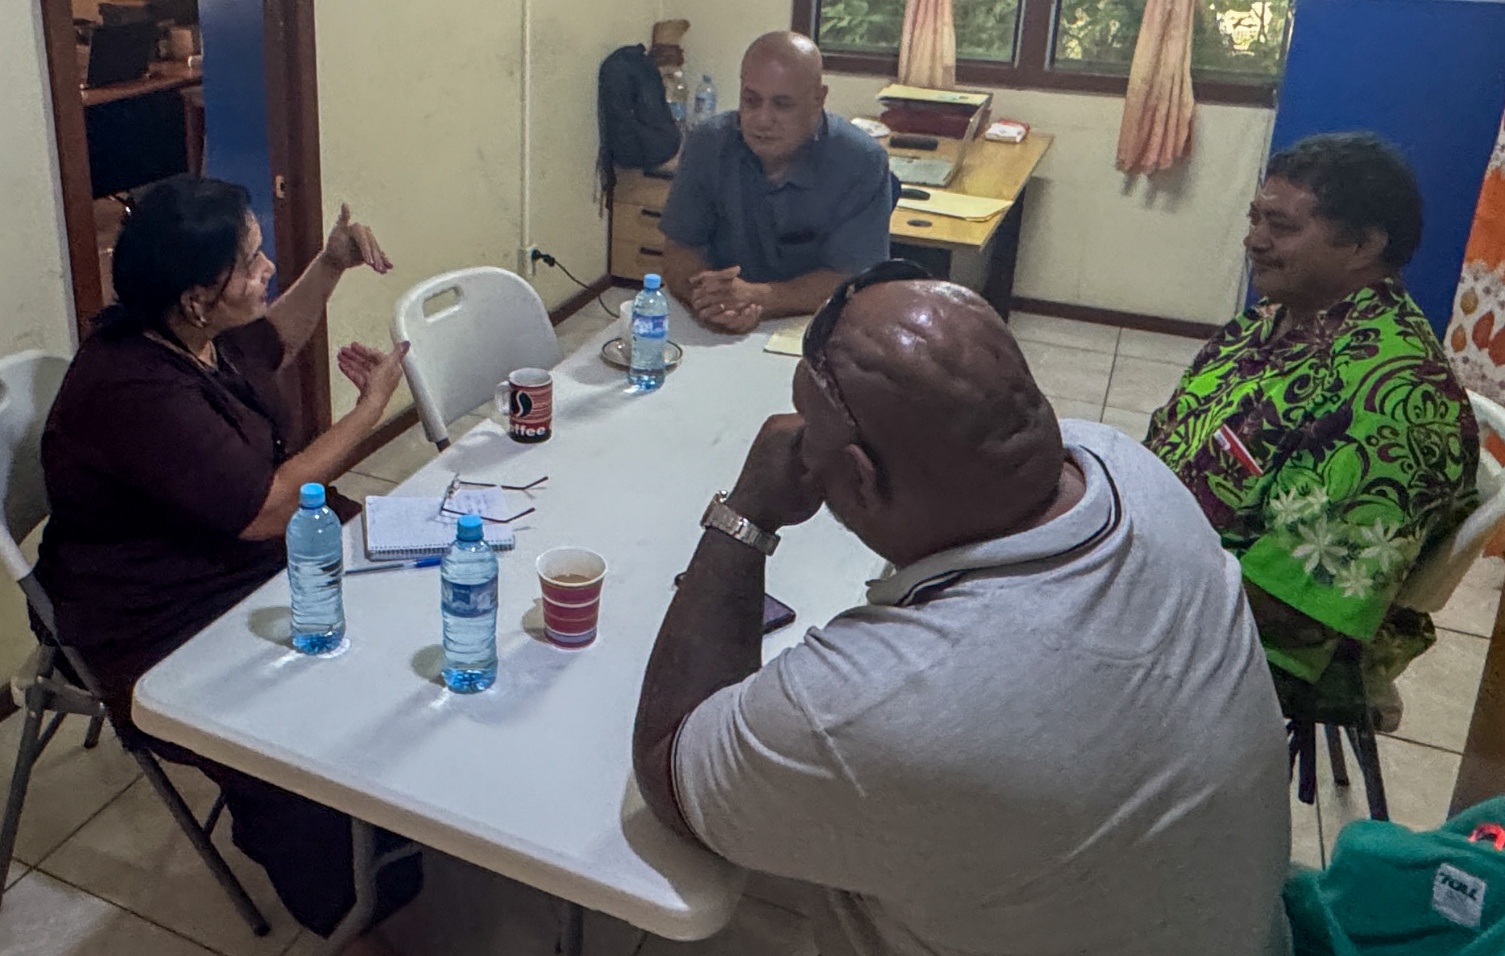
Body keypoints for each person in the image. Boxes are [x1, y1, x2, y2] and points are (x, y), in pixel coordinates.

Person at [632, 262, 1293, 956]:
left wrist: (746, 514)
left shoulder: (869, 709)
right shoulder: (1125, 465)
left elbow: (669, 764)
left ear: (857, 478)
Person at [35, 175, 418, 956]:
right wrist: (369, 411)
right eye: (248, 262)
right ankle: (347, 911)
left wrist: (333, 262)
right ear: (195, 298)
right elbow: (264, 509)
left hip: (234, 568)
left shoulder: (190, 338)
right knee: (290, 743)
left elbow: (274, 337)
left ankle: (404, 813)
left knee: (412, 583)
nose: (266, 268)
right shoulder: (131, 387)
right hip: (159, 618)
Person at [1145, 133, 1479, 718]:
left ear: (1361, 245)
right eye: (1254, 218)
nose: (1255, 240)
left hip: (1251, 645)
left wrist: (1117, 578)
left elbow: (1292, 607)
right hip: (1169, 565)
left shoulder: (1394, 403)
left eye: (1281, 225)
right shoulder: (1276, 320)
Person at [658, 31, 892, 334]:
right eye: (751, 101)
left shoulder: (861, 160)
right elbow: (679, 248)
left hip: (813, 327)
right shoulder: (709, 143)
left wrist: (760, 298)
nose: (762, 119)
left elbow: (853, 277)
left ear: (818, 99)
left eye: (782, 105)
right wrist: (705, 297)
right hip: (717, 325)